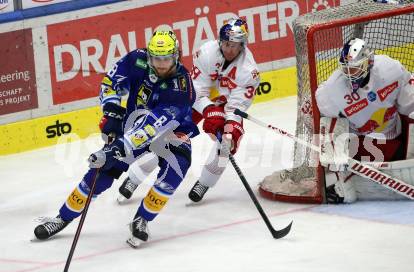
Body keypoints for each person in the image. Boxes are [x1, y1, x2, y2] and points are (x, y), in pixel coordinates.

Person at [33, 30, 198, 247]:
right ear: (149, 55)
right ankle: (62, 217)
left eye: (166, 58)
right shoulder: (137, 59)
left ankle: (142, 219)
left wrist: (120, 146)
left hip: (170, 131)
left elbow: (152, 126)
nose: (161, 64)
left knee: (177, 167)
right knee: (101, 171)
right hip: (132, 123)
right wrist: (111, 111)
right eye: (156, 58)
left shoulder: (181, 86)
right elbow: (111, 82)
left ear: (176, 56)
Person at [117, 18, 260, 203]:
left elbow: (237, 105)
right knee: (166, 136)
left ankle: (205, 182)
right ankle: (134, 178)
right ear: (220, 41)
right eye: (226, 43)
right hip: (198, 100)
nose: (229, 49)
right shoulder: (206, 53)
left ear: (243, 45)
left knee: (226, 145)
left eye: (234, 45)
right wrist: (209, 110)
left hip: (226, 104)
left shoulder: (249, 71)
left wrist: (229, 125)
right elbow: (196, 91)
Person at [315, 38, 414, 203]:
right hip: (365, 143)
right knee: (329, 126)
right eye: (346, 70)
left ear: (369, 62)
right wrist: (337, 159)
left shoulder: (390, 69)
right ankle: (344, 182)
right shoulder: (332, 91)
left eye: (355, 69)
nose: (350, 76)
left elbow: (413, 96)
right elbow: (326, 124)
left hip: (396, 130)